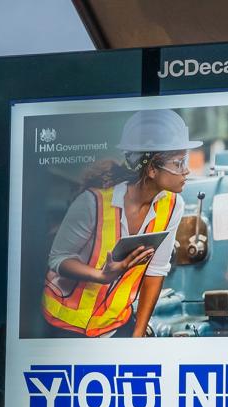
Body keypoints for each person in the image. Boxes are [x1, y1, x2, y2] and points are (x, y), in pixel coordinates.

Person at [43, 109, 201, 337]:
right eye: (178, 163)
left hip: (115, 325)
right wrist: (101, 276)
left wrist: (137, 333)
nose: (186, 170)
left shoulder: (172, 205)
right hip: (63, 323)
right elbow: (57, 258)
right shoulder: (92, 202)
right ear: (152, 169)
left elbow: (156, 271)